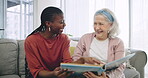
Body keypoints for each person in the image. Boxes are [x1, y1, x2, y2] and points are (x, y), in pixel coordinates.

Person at [24, 6, 101, 78]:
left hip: (59, 75)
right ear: (48, 23)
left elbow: (68, 64)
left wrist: (82, 60)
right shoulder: (31, 41)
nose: (65, 25)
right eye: (61, 22)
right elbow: (36, 71)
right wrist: (53, 74)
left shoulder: (64, 38)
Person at [72, 8, 125, 78]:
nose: (97, 28)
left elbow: (120, 67)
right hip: (85, 74)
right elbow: (75, 59)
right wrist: (84, 63)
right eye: (95, 23)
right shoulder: (85, 38)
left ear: (111, 25)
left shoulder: (118, 42)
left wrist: (107, 77)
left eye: (101, 24)